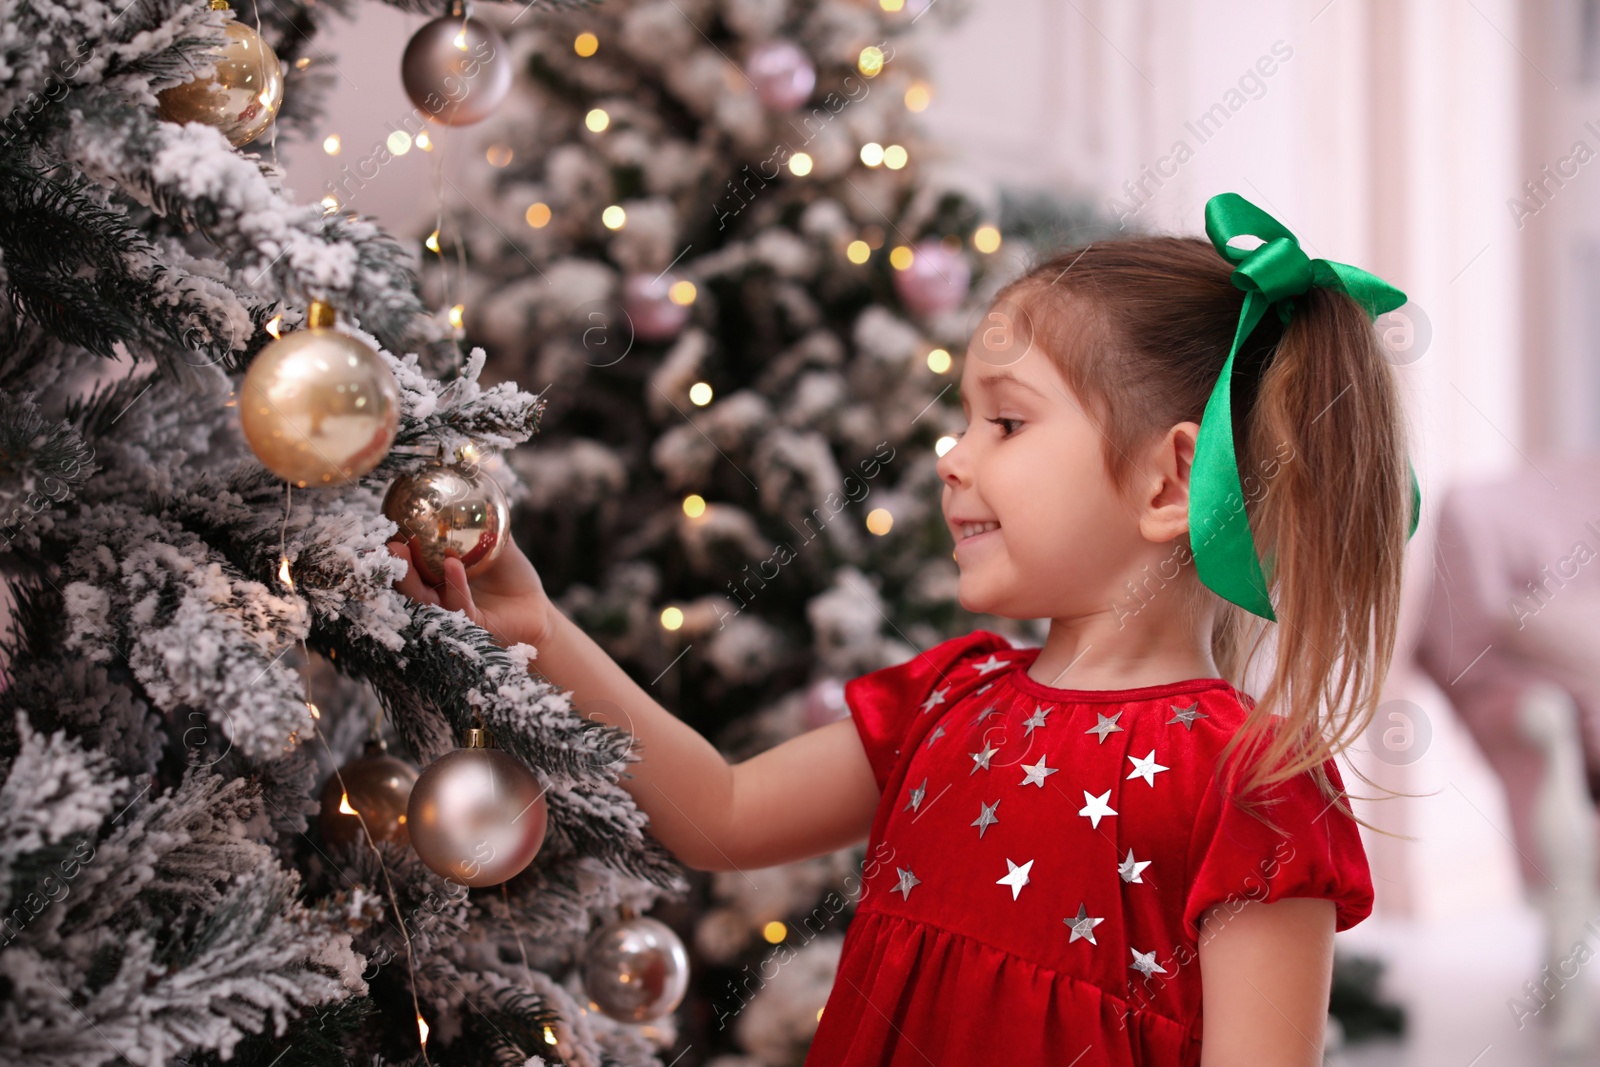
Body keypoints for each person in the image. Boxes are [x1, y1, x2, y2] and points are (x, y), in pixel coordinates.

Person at [388, 193, 1418, 1066]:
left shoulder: (1250, 785)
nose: (951, 455)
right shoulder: (949, 696)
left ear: (1165, 480)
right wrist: (538, 622)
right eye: (961, 418)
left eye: (1005, 422)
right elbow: (722, 813)